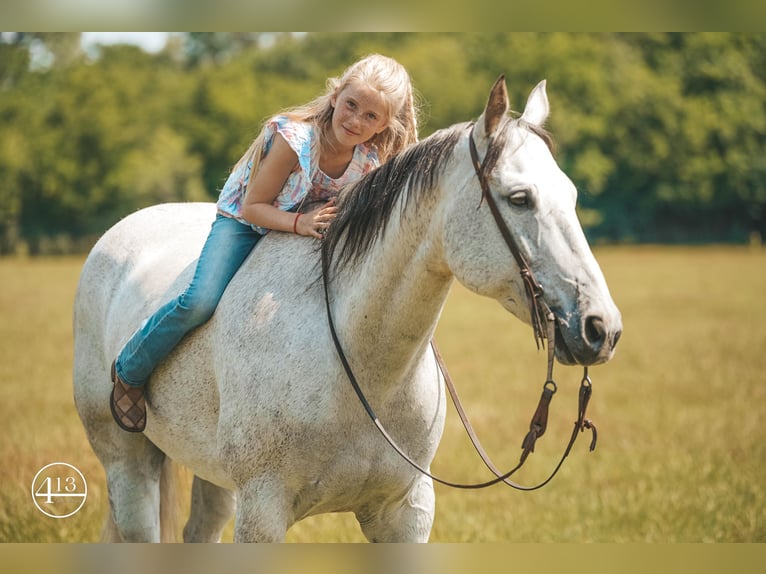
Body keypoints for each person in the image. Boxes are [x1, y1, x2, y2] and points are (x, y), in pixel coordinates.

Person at [110, 54, 419, 432]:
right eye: (351, 105)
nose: (355, 120)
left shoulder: (370, 160)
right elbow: (254, 206)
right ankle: (130, 368)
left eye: (370, 117)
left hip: (302, 230)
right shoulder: (297, 140)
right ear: (336, 95)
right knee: (200, 300)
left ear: (384, 124)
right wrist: (299, 222)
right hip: (248, 222)